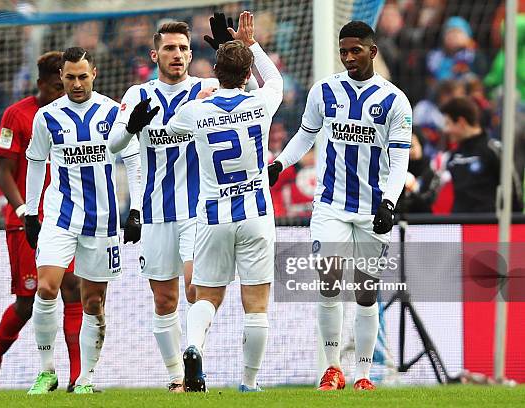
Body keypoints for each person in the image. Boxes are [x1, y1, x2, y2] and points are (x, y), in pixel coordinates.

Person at [108, 17, 255, 391]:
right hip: (156, 212)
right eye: (170, 48)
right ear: (154, 53)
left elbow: (251, 93)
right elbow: (112, 145)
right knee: (164, 299)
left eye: (184, 48)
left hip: (197, 210)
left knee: (193, 289)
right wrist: (130, 127)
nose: (178, 55)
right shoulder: (138, 95)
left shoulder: (206, 89)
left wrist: (239, 52)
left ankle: (195, 358)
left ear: (192, 54)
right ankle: (178, 378)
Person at [268, 21, 412, 391]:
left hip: (371, 210)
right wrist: (281, 164)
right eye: (343, 51)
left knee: (365, 291)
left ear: (372, 51)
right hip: (330, 203)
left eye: (356, 50)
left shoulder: (395, 101)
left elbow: (398, 163)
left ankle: (363, 374)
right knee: (330, 279)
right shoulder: (325, 91)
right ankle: (332, 368)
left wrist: (389, 203)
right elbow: (305, 135)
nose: (348, 57)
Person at [161, 10, 282, 392]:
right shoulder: (260, 105)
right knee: (256, 303)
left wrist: (214, 80)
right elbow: (275, 79)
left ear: (215, 70)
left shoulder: (195, 111)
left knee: (207, 296)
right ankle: (249, 382)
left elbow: (170, 131)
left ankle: (194, 347)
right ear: (247, 75)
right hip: (255, 214)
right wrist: (249, 45)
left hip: (212, 216)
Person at [25, 47, 141, 394]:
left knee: (93, 302)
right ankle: (47, 371)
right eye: (70, 77)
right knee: (46, 288)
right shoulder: (47, 117)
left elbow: (132, 160)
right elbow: (35, 162)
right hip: (60, 217)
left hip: (103, 221)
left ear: (95, 73)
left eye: (82, 76)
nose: (76, 83)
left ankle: (85, 379)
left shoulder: (111, 112)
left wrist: (134, 210)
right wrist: (32, 212)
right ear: (60, 76)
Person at [0, 51, 83, 394]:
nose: (62, 92)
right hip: (26, 221)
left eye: (66, 84)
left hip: (65, 217)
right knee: (28, 302)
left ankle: (76, 378)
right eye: (57, 86)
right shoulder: (17, 114)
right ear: (41, 84)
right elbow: (5, 172)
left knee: (72, 288)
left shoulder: (73, 114)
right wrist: (25, 210)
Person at [441, 97, 522, 213]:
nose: (445, 130)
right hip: (459, 227)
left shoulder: (493, 149)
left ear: (461, 122)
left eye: (447, 123)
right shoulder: (452, 156)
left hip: (487, 227)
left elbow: (513, 190)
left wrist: (516, 225)